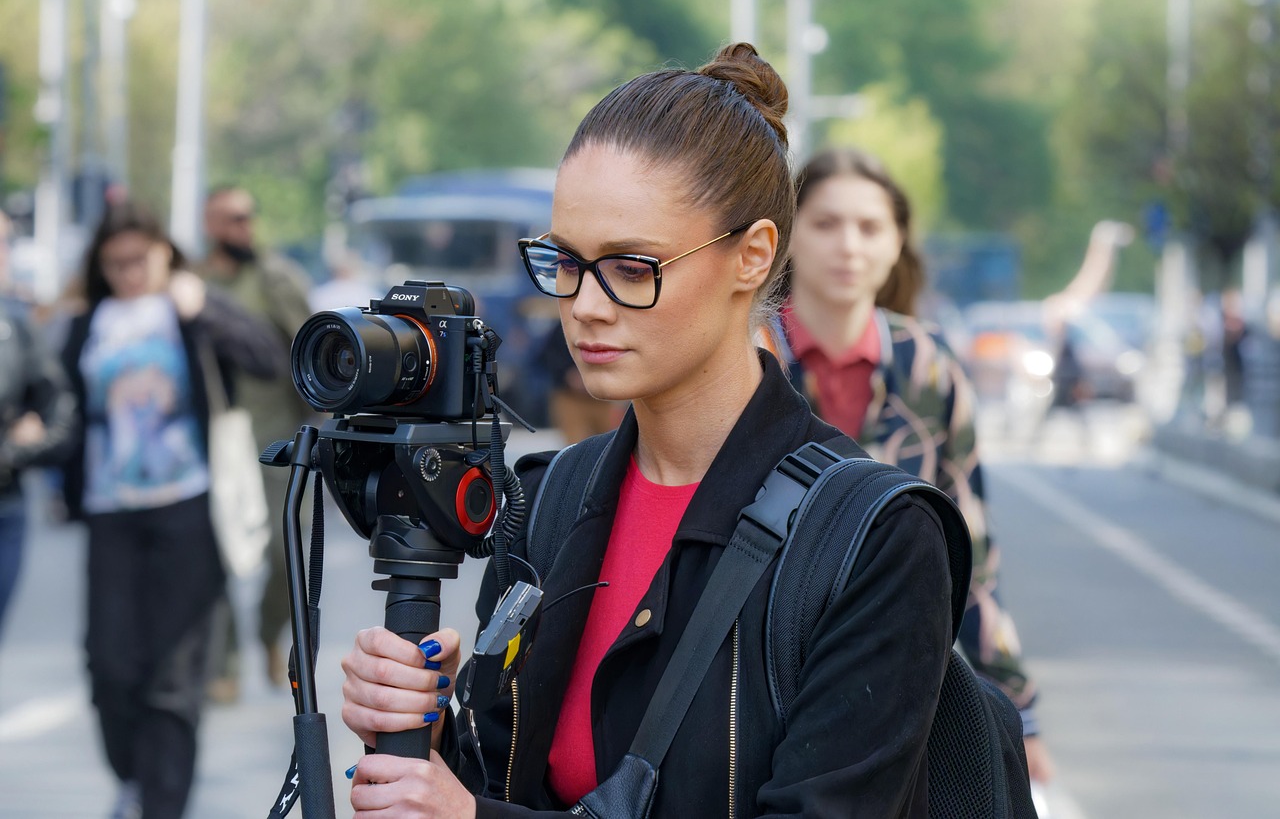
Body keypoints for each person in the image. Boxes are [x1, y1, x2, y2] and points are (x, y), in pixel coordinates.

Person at [339, 44, 955, 817]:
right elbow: (504, 788)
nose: (585, 304)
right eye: (563, 261)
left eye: (632, 266)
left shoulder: (874, 536)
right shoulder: (547, 501)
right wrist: (421, 747)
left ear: (753, 256)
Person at [769, 147, 1054, 783]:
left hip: (903, 675)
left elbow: (973, 551)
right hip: (764, 670)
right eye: (825, 223)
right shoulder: (745, 359)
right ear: (784, 237)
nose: (849, 245)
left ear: (898, 242)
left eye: (870, 227)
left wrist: (1018, 710)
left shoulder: (930, 367)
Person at [59, 201, 282, 818]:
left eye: (141, 259)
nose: (129, 272)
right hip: (112, 514)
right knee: (109, 666)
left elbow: (266, 356)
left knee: (175, 675)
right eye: (116, 262)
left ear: (166, 254)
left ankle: (161, 804)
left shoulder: (188, 308)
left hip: (189, 511)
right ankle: (133, 776)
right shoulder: (91, 321)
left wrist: (203, 305)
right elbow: (66, 407)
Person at [201, 184, 315, 698]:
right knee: (216, 551)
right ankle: (222, 661)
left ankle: (269, 634)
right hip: (218, 442)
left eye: (248, 217)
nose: (242, 228)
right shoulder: (196, 284)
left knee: (285, 552)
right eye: (230, 219)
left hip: (279, 442)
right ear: (210, 224)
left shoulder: (276, 279)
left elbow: (314, 352)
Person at [0, 210, 77, 642]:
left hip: (6, 503)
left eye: (5, 242)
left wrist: (18, 448)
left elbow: (58, 410)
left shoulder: (15, 324)